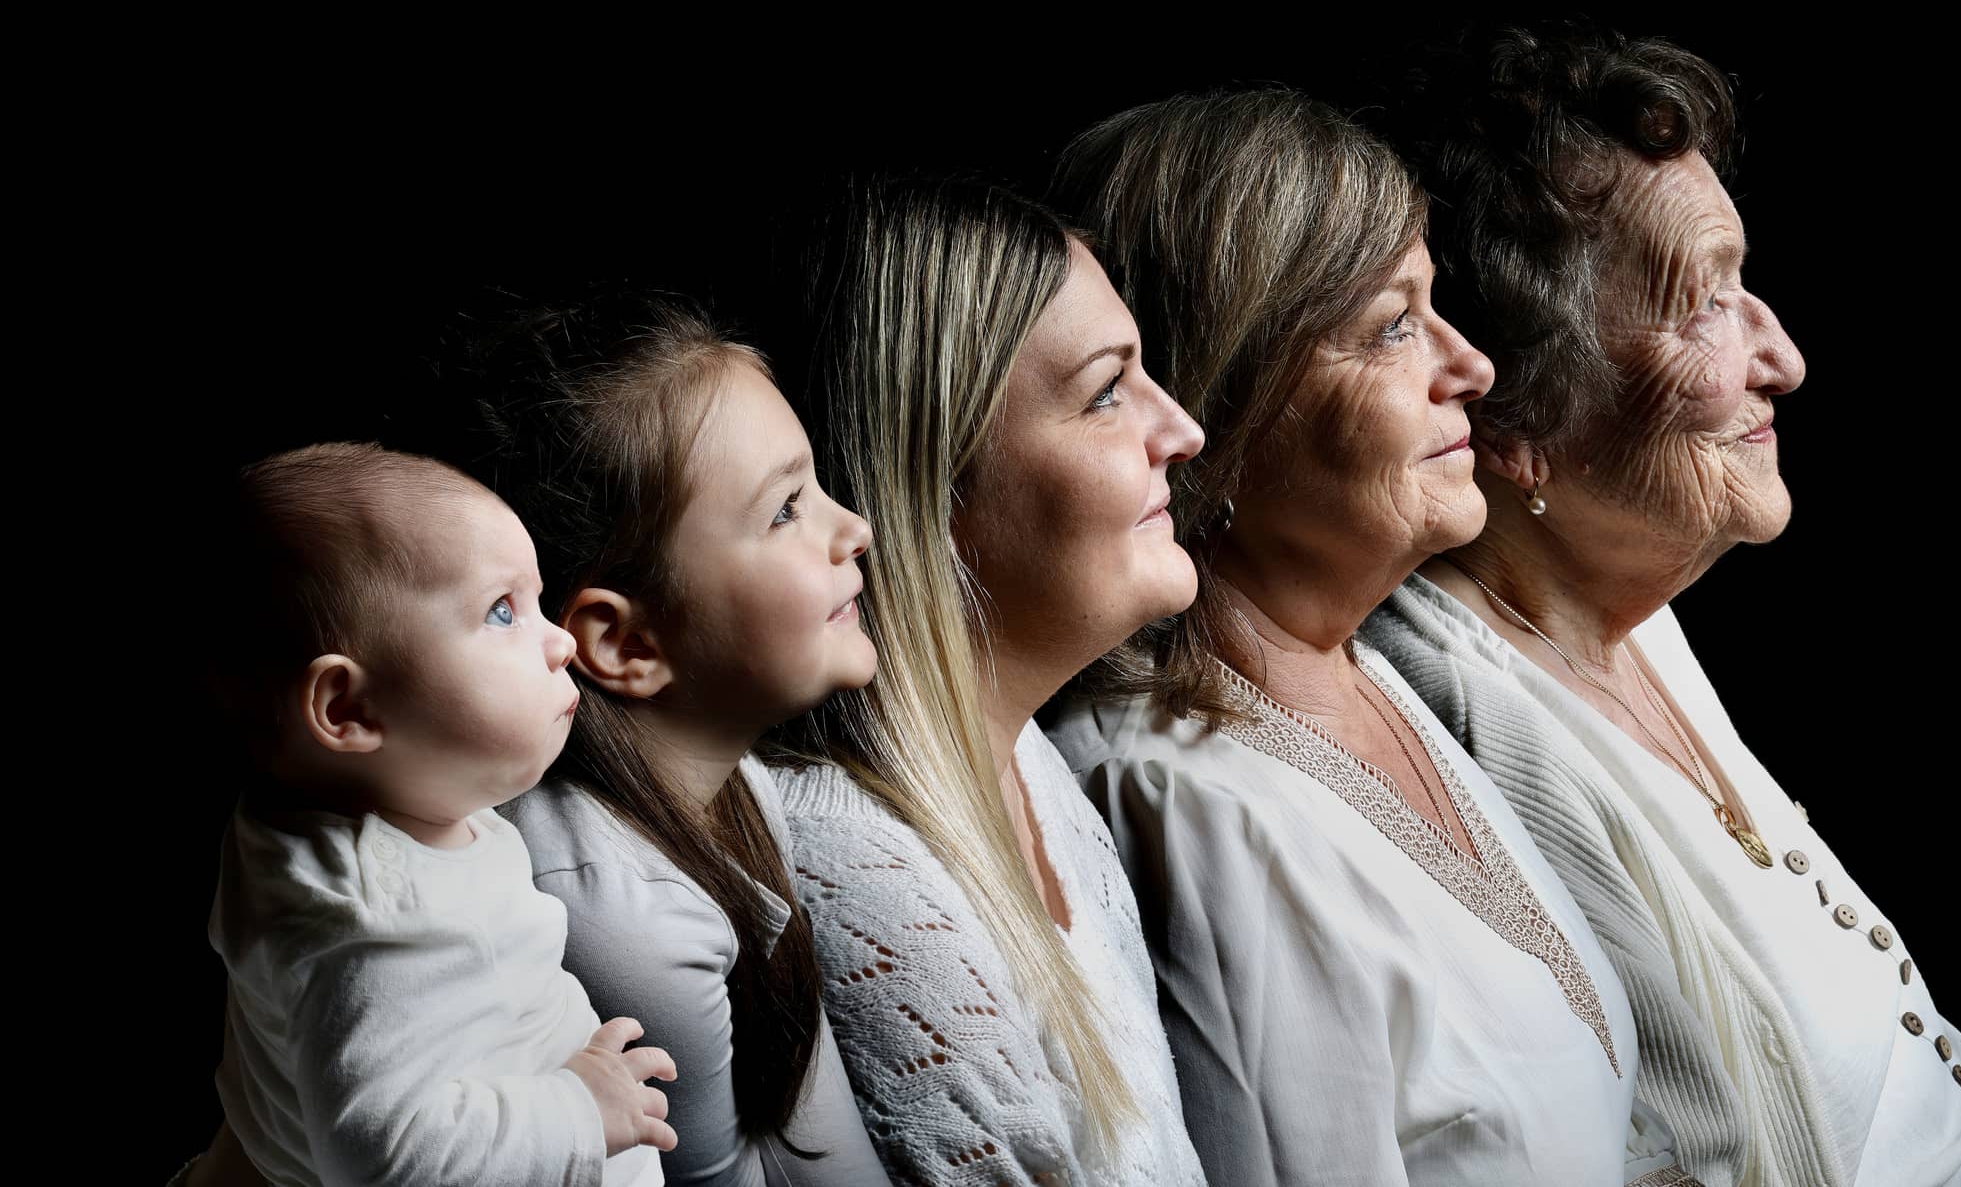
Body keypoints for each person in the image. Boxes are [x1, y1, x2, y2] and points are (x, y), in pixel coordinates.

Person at [1363, 23, 1961, 1186]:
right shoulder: (1459, 727)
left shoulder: (1632, 614)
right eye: (1701, 302)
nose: (1784, 356)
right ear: (1509, 418)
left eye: (1741, 282)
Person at [1048, 88, 1693, 1185]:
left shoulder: (1375, 671)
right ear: (1223, 409)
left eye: (1433, 305)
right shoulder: (1184, 801)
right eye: (1392, 326)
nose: (1470, 367)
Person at [766, 176, 1211, 1185]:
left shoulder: (1032, 774)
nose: (1179, 428)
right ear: (938, 478)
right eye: (1106, 392)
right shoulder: (859, 868)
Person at [472, 295, 894, 1187]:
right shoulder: (622, 916)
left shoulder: (728, 774)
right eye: (786, 509)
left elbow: (814, 1127)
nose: (852, 527)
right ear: (625, 644)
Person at [205, 442, 672, 1186]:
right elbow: (381, 1155)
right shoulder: (374, 926)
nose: (557, 639)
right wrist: (578, 1109)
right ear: (348, 708)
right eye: (501, 611)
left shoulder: (336, 807)